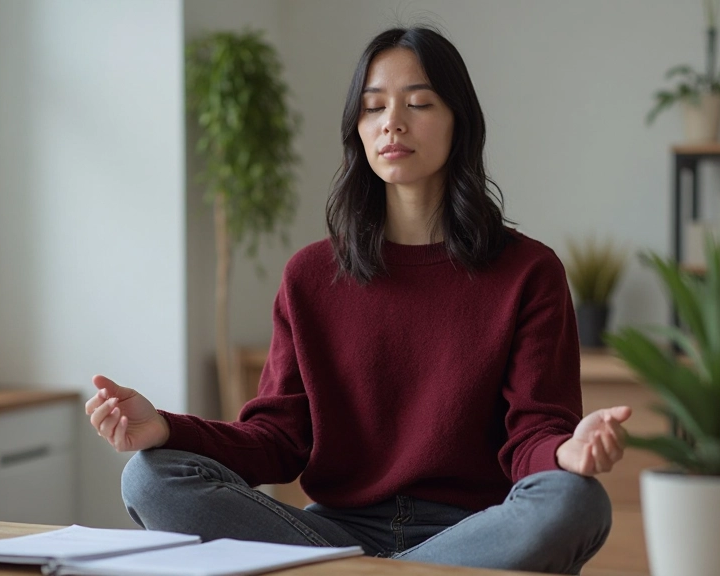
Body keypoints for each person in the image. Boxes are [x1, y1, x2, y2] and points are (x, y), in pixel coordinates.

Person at [86, 26, 631, 575]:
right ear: (358, 130)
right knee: (150, 476)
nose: (392, 121)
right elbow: (278, 439)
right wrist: (166, 428)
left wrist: (567, 453)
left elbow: (531, 438)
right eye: (373, 108)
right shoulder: (310, 275)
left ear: (458, 121)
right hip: (331, 532)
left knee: (576, 501)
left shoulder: (528, 272)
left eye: (418, 102)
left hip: (470, 530)